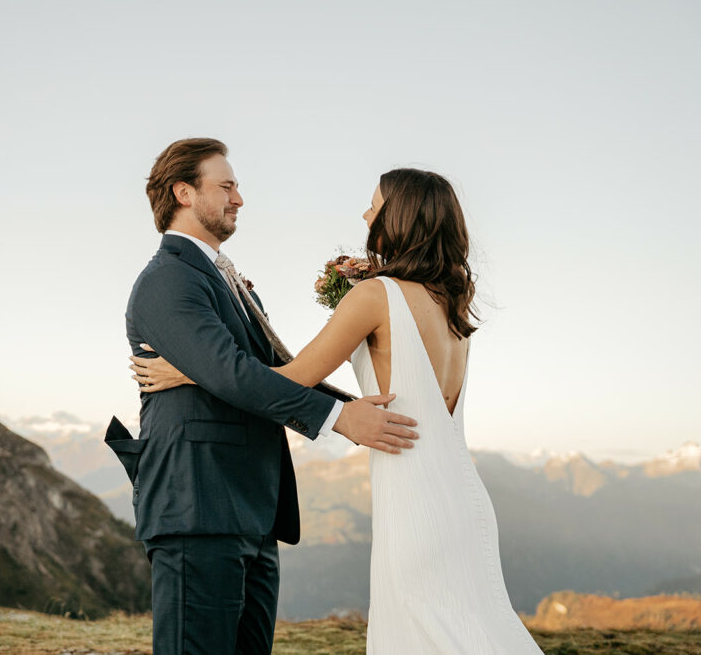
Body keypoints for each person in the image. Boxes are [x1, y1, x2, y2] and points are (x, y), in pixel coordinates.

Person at [133, 168, 544, 653]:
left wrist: (190, 369)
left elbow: (289, 375)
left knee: (422, 634)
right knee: (473, 630)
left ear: (401, 217)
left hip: (412, 499)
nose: (366, 215)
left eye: (375, 205)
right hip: (460, 495)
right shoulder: (453, 303)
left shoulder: (374, 294)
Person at [105, 138, 419, 655]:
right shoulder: (167, 280)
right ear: (184, 192)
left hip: (249, 511)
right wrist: (339, 418)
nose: (239, 198)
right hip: (196, 508)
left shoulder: (227, 280)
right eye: (226, 186)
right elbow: (231, 374)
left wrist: (357, 408)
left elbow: (270, 372)